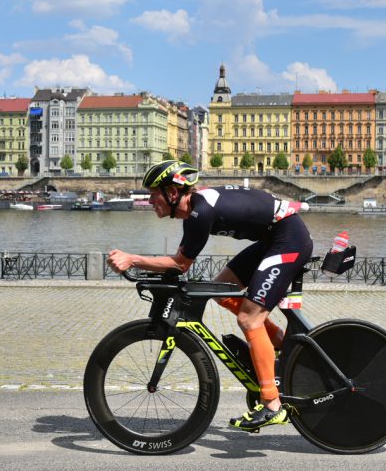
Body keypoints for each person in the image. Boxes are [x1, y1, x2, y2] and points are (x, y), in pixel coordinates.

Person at [107, 160, 313, 432]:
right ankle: (282, 346)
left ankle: (272, 404)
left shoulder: (199, 212)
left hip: (289, 238)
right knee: (221, 288)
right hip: (272, 239)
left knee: (249, 319)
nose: (149, 200)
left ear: (172, 193)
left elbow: (181, 264)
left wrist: (132, 259)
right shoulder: (197, 208)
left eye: (154, 194)